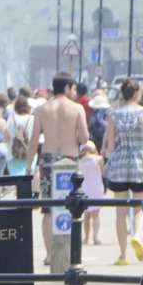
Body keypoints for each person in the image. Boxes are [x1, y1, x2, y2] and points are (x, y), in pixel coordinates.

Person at [29, 73, 91, 261]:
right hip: (68, 159)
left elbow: (33, 141)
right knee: (70, 206)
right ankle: (68, 252)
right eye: (73, 88)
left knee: (48, 209)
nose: (74, 92)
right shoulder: (77, 108)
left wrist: (28, 168)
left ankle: (49, 254)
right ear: (66, 88)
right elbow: (84, 138)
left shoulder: (41, 109)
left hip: (47, 159)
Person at [101, 78, 143, 265]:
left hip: (119, 165)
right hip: (140, 164)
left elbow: (109, 146)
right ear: (136, 94)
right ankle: (138, 236)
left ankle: (123, 255)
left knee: (120, 212)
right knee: (139, 208)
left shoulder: (113, 114)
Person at [77, 140, 105, 245]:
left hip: (84, 188)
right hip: (96, 187)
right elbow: (103, 172)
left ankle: (86, 237)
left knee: (86, 215)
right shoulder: (99, 159)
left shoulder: (78, 162)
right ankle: (95, 237)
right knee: (96, 215)